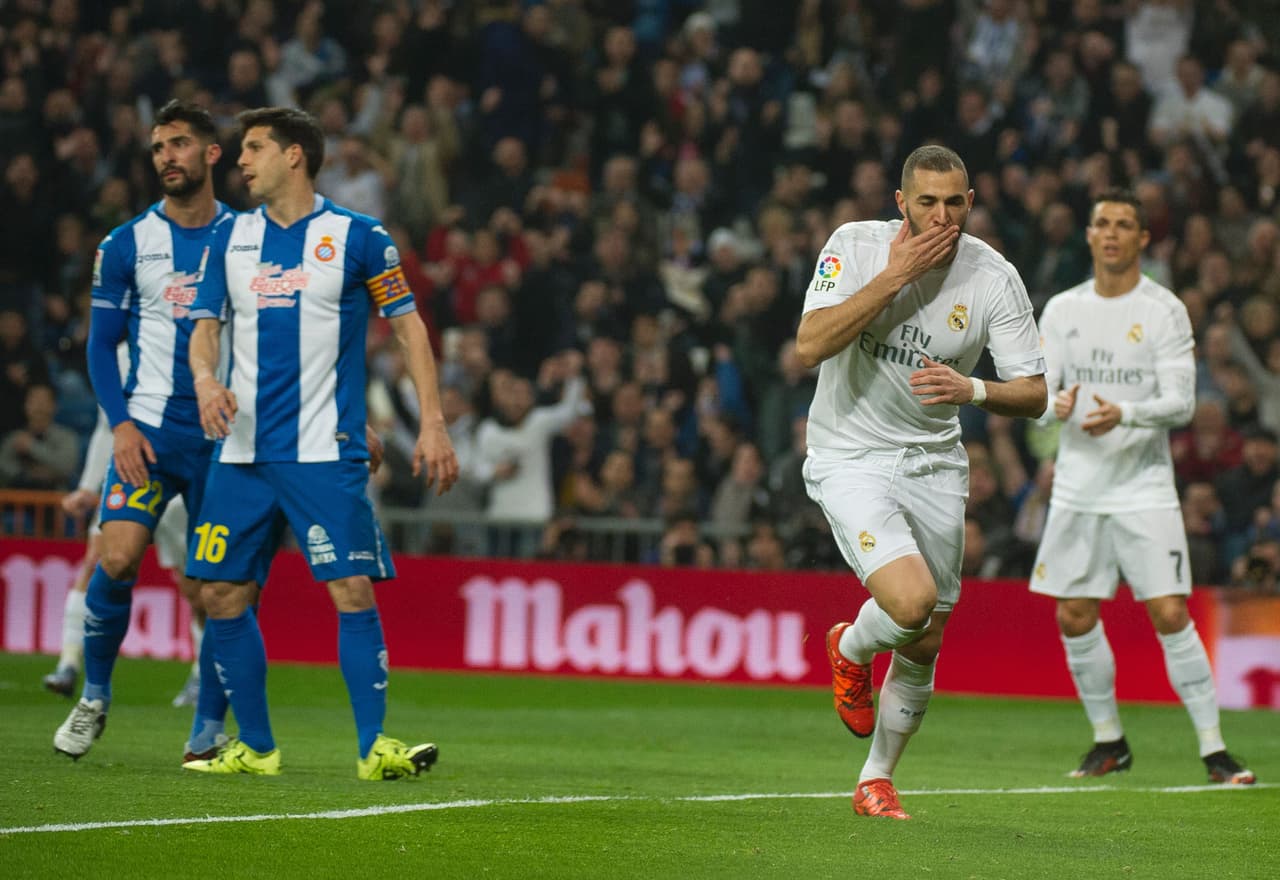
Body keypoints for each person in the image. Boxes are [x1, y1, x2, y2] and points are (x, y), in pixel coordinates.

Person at [184, 106, 458, 779]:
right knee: (219, 593)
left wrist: (432, 420)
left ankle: (374, 748)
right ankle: (255, 746)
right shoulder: (229, 240)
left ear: (294, 155)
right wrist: (202, 381)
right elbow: (205, 325)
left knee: (351, 588)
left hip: (321, 447)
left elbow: (408, 328)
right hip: (242, 451)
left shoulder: (359, 236)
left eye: (253, 148)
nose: (239, 161)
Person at [796, 145, 1048, 820]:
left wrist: (972, 388)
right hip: (850, 453)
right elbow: (809, 344)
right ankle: (850, 647)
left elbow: (1035, 393)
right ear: (901, 203)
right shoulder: (854, 245)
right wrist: (890, 278)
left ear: (971, 203)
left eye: (954, 202)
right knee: (910, 606)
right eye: (927, 202)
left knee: (927, 637)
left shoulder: (993, 277)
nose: (941, 216)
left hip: (934, 461)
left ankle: (876, 779)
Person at [52, 100, 257, 766]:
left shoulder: (251, 239)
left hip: (228, 441)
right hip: (150, 432)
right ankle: (96, 695)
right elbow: (100, 345)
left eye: (179, 144)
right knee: (115, 558)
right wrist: (120, 427)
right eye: (158, 147)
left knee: (218, 589)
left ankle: (206, 728)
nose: (166, 156)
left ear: (211, 154)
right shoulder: (125, 244)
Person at [1031, 188, 1256, 786]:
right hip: (1079, 486)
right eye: (1101, 223)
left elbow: (1182, 402)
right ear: (1088, 235)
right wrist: (1056, 405)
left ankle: (1214, 749)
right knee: (1075, 614)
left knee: (1168, 610)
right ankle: (1109, 742)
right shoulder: (1061, 310)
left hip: (1143, 486)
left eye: (1123, 224)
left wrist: (1123, 414)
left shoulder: (1163, 309)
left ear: (1142, 238)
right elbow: (1039, 396)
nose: (1110, 233)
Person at [43, 410, 204, 710]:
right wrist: (88, 488)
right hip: (128, 475)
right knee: (98, 561)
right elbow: (107, 428)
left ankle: (201, 674)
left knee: (195, 588)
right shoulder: (118, 370)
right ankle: (69, 664)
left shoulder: (190, 371)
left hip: (179, 477)